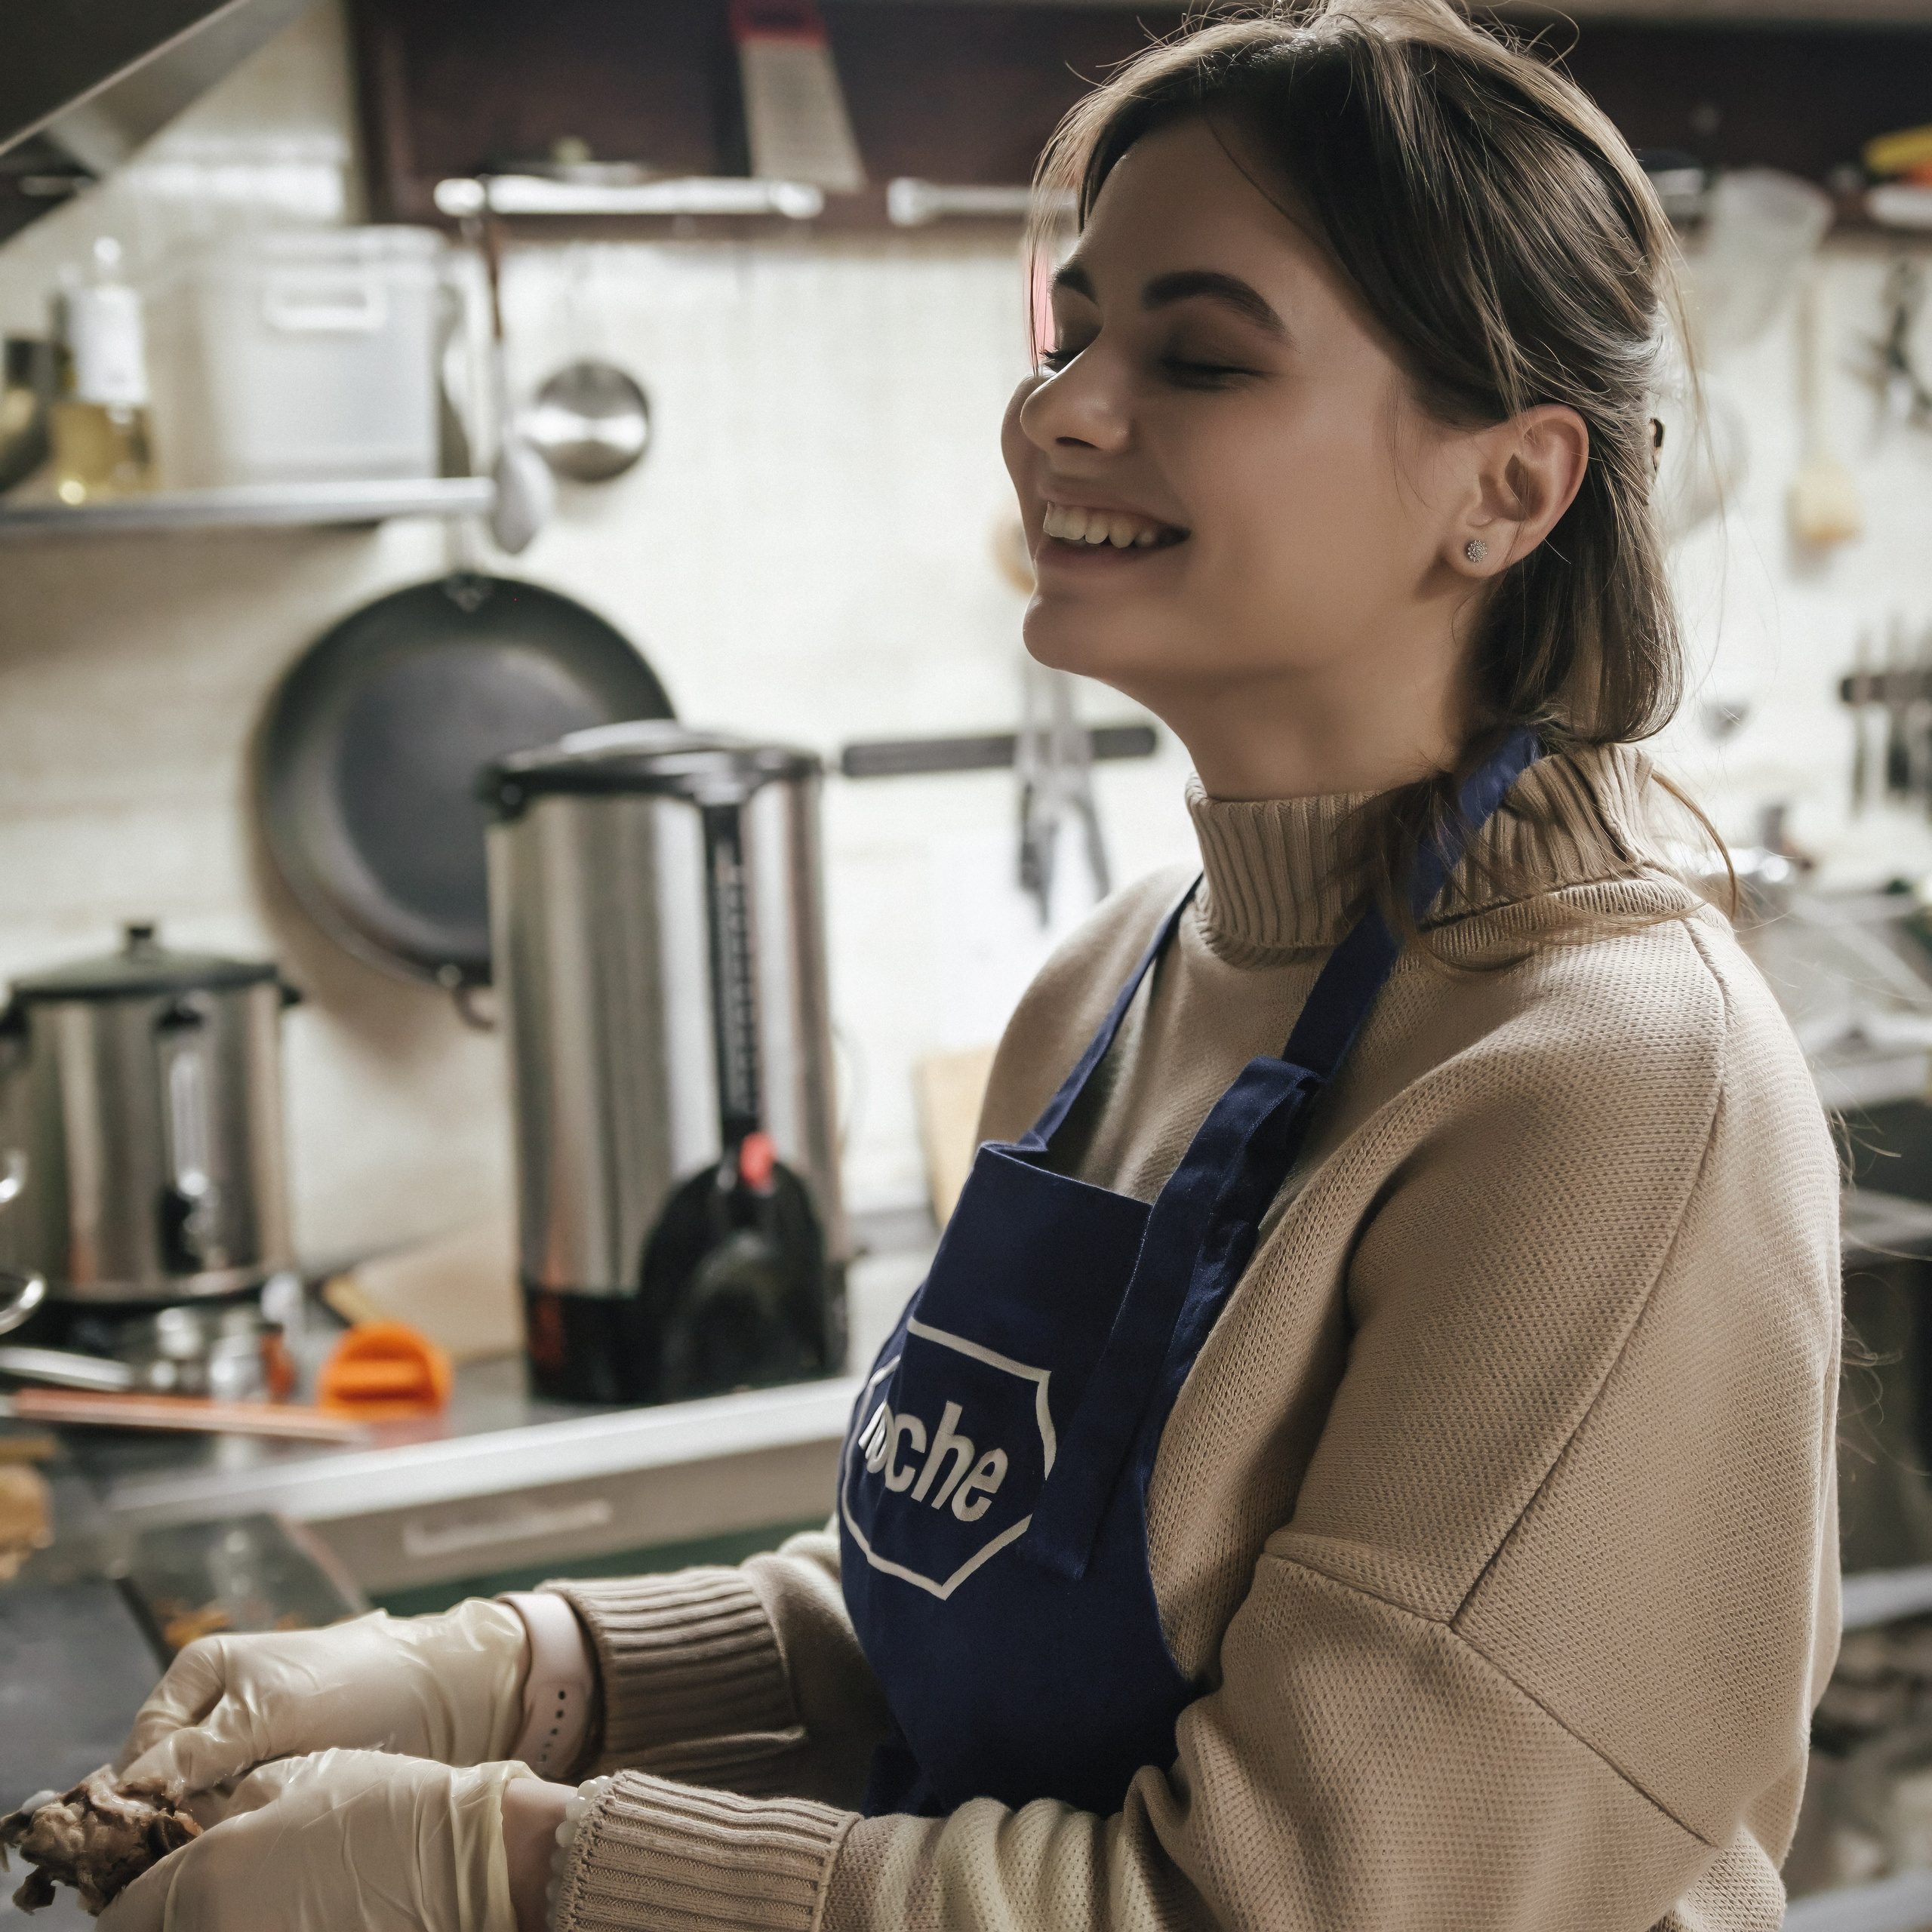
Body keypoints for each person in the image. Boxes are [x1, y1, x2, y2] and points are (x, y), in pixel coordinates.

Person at [97, 4, 1842, 1930]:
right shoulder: (1116, 981)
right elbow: (967, 1604)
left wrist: (503, 1863)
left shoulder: (1606, 1088)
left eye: (1194, 353)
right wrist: (520, 1667)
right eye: (1069, 333)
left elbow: (1271, 1903)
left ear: (1505, 489)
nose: (1060, 412)